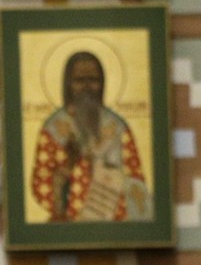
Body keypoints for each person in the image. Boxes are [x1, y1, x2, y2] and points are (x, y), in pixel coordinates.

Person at [31, 52, 150, 223]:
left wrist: (113, 182)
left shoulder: (117, 128)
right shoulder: (53, 129)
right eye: (79, 80)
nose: (86, 87)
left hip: (113, 225)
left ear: (102, 84)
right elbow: (40, 182)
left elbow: (136, 181)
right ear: (68, 84)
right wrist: (63, 178)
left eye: (93, 80)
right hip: (69, 225)